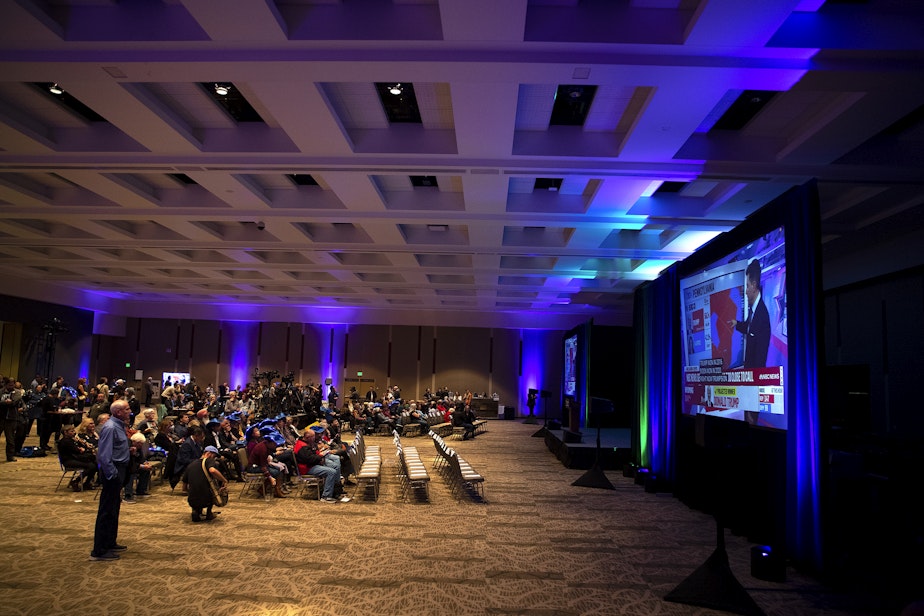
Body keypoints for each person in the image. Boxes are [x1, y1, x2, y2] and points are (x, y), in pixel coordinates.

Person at [90, 399, 131, 561]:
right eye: (127, 409)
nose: (130, 411)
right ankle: (99, 550)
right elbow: (104, 456)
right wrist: (112, 475)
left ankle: (110, 542)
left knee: (114, 509)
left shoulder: (119, 426)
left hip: (119, 471)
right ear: (118, 412)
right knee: (106, 511)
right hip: (112, 472)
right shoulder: (110, 428)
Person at [728, 259, 771, 369]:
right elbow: (748, 327)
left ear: (754, 285)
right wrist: (736, 323)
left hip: (755, 377)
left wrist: (752, 380)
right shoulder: (754, 310)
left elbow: (760, 359)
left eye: (747, 286)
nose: (746, 291)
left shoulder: (762, 316)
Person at [293, 429, 349, 503]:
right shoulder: (302, 446)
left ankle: (336, 490)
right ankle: (326, 496)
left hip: (313, 464)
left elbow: (314, 454)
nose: (314, 438)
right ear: (308, 437)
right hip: (306, 468)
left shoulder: (307, 443)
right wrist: (320, 457)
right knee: (331, 472)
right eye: (313, 436)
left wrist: (320, 456)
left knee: (334, 466)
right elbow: (309, 459)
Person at [183, 445, 228, 522]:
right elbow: (212, 470)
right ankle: (208, 513)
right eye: (214, 456)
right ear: (209, 454)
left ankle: (196, 510)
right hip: (207, 498)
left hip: (192, 500)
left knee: (197, 490)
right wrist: (224, 480)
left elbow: (184, 488)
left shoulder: (190, 465)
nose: (214, 458)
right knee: (212, 489)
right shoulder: (208, 461)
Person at [58, 425, 97, 490]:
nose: (74, 432)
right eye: (72, 431)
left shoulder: (71, 440)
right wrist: (81, 447)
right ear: (65, 432)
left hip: (75, 458)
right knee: (91, 466)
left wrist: (81, 443)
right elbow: (77, 450)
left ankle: (87, 483)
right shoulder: (65, 441)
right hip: (69, 461)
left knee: (95, 464)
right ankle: (76, 481)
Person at [1, 378, 24, 462]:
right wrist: (6, 402)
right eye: (9, 385)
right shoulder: (1, 391)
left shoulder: (17, 392)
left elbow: (14, 402)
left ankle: (10, 456)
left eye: (12, 384)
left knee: (10, 439)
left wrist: (6, 403)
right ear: (5, 384)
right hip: (1, 418)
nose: (11, 386)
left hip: (12, 418)